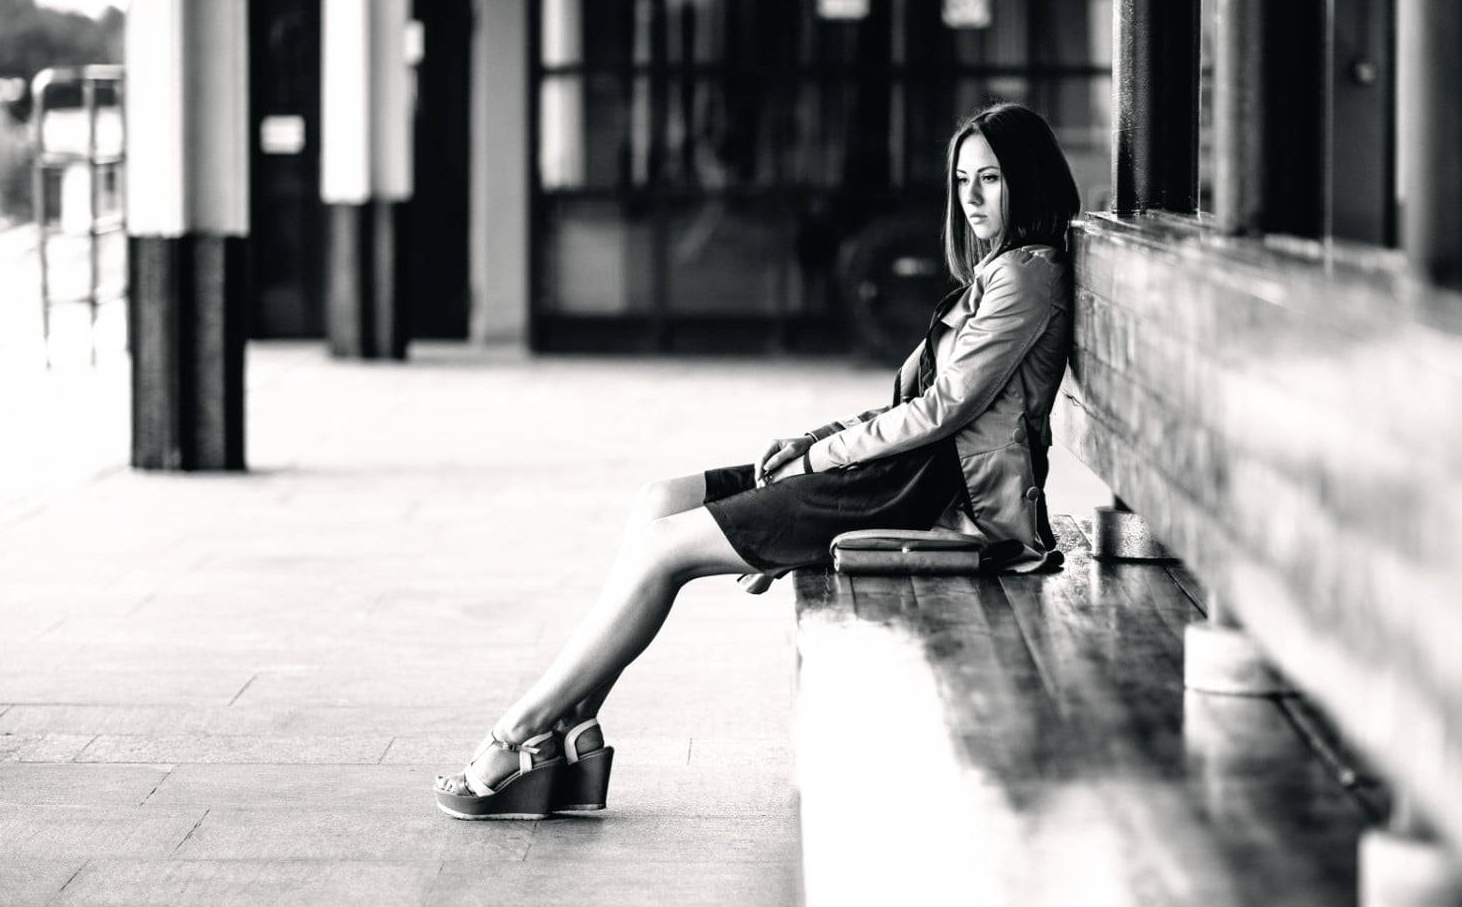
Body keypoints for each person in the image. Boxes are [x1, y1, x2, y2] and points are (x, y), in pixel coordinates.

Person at [433, 102, 1080, 819]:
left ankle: (519, 731)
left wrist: (813, 463)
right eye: (963, 180)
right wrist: (817, 440)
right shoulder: (1000, 271)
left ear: (1028, 182)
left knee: (662, 550)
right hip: (900, 471)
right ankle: (574, 727)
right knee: (662, 500)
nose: (973, 199)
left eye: (991, 180)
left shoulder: (1025, 277)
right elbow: (926, 400)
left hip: (926, 493)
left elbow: (942, 413)